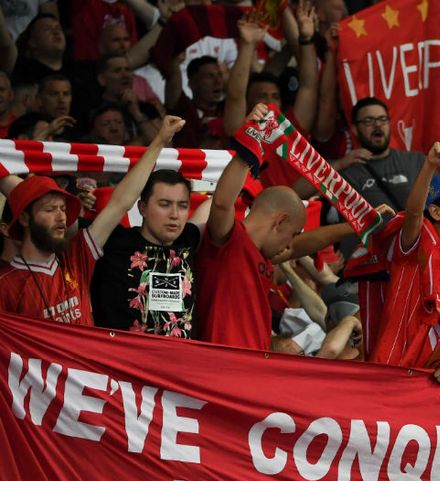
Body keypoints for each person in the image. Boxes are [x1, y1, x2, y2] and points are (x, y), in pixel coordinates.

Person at [0, 115, 187, 324]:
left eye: (63, 208)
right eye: (50, 209)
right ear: (24, 219)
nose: (61, 216)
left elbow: (120, 203)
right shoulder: (6, 286)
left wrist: (160, 141)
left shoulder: (76, 257)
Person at [194, 104, 307, 350]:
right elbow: (223, 203)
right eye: (292, 235)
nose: (290, 245)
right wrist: (252, 138)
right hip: (221, 367)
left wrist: (357, 227)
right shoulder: (231, 239)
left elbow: (309, 244)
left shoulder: (265, 259)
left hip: (254, 368)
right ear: (280, 221)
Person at [371, 146, 440, 385]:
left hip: (423, 384)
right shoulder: (416, 244)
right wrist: (430, 164)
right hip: (387, 377)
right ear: (435, 211)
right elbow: (414, 213)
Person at [90, 165, 212, 337]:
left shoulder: (188, 239)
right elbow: (118, 204)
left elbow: (218, 204)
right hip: (122, 361)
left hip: (181, 360)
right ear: (142, 208)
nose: (175, 214)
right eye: (164, 204)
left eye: (183, 206)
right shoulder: (112, 241)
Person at [339, 97, 426, 212]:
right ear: (355, 129)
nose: (378, 125)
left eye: (383, 119)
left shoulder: (417, 161)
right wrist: (339, 164)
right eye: (369, 120)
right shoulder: (347, 174)